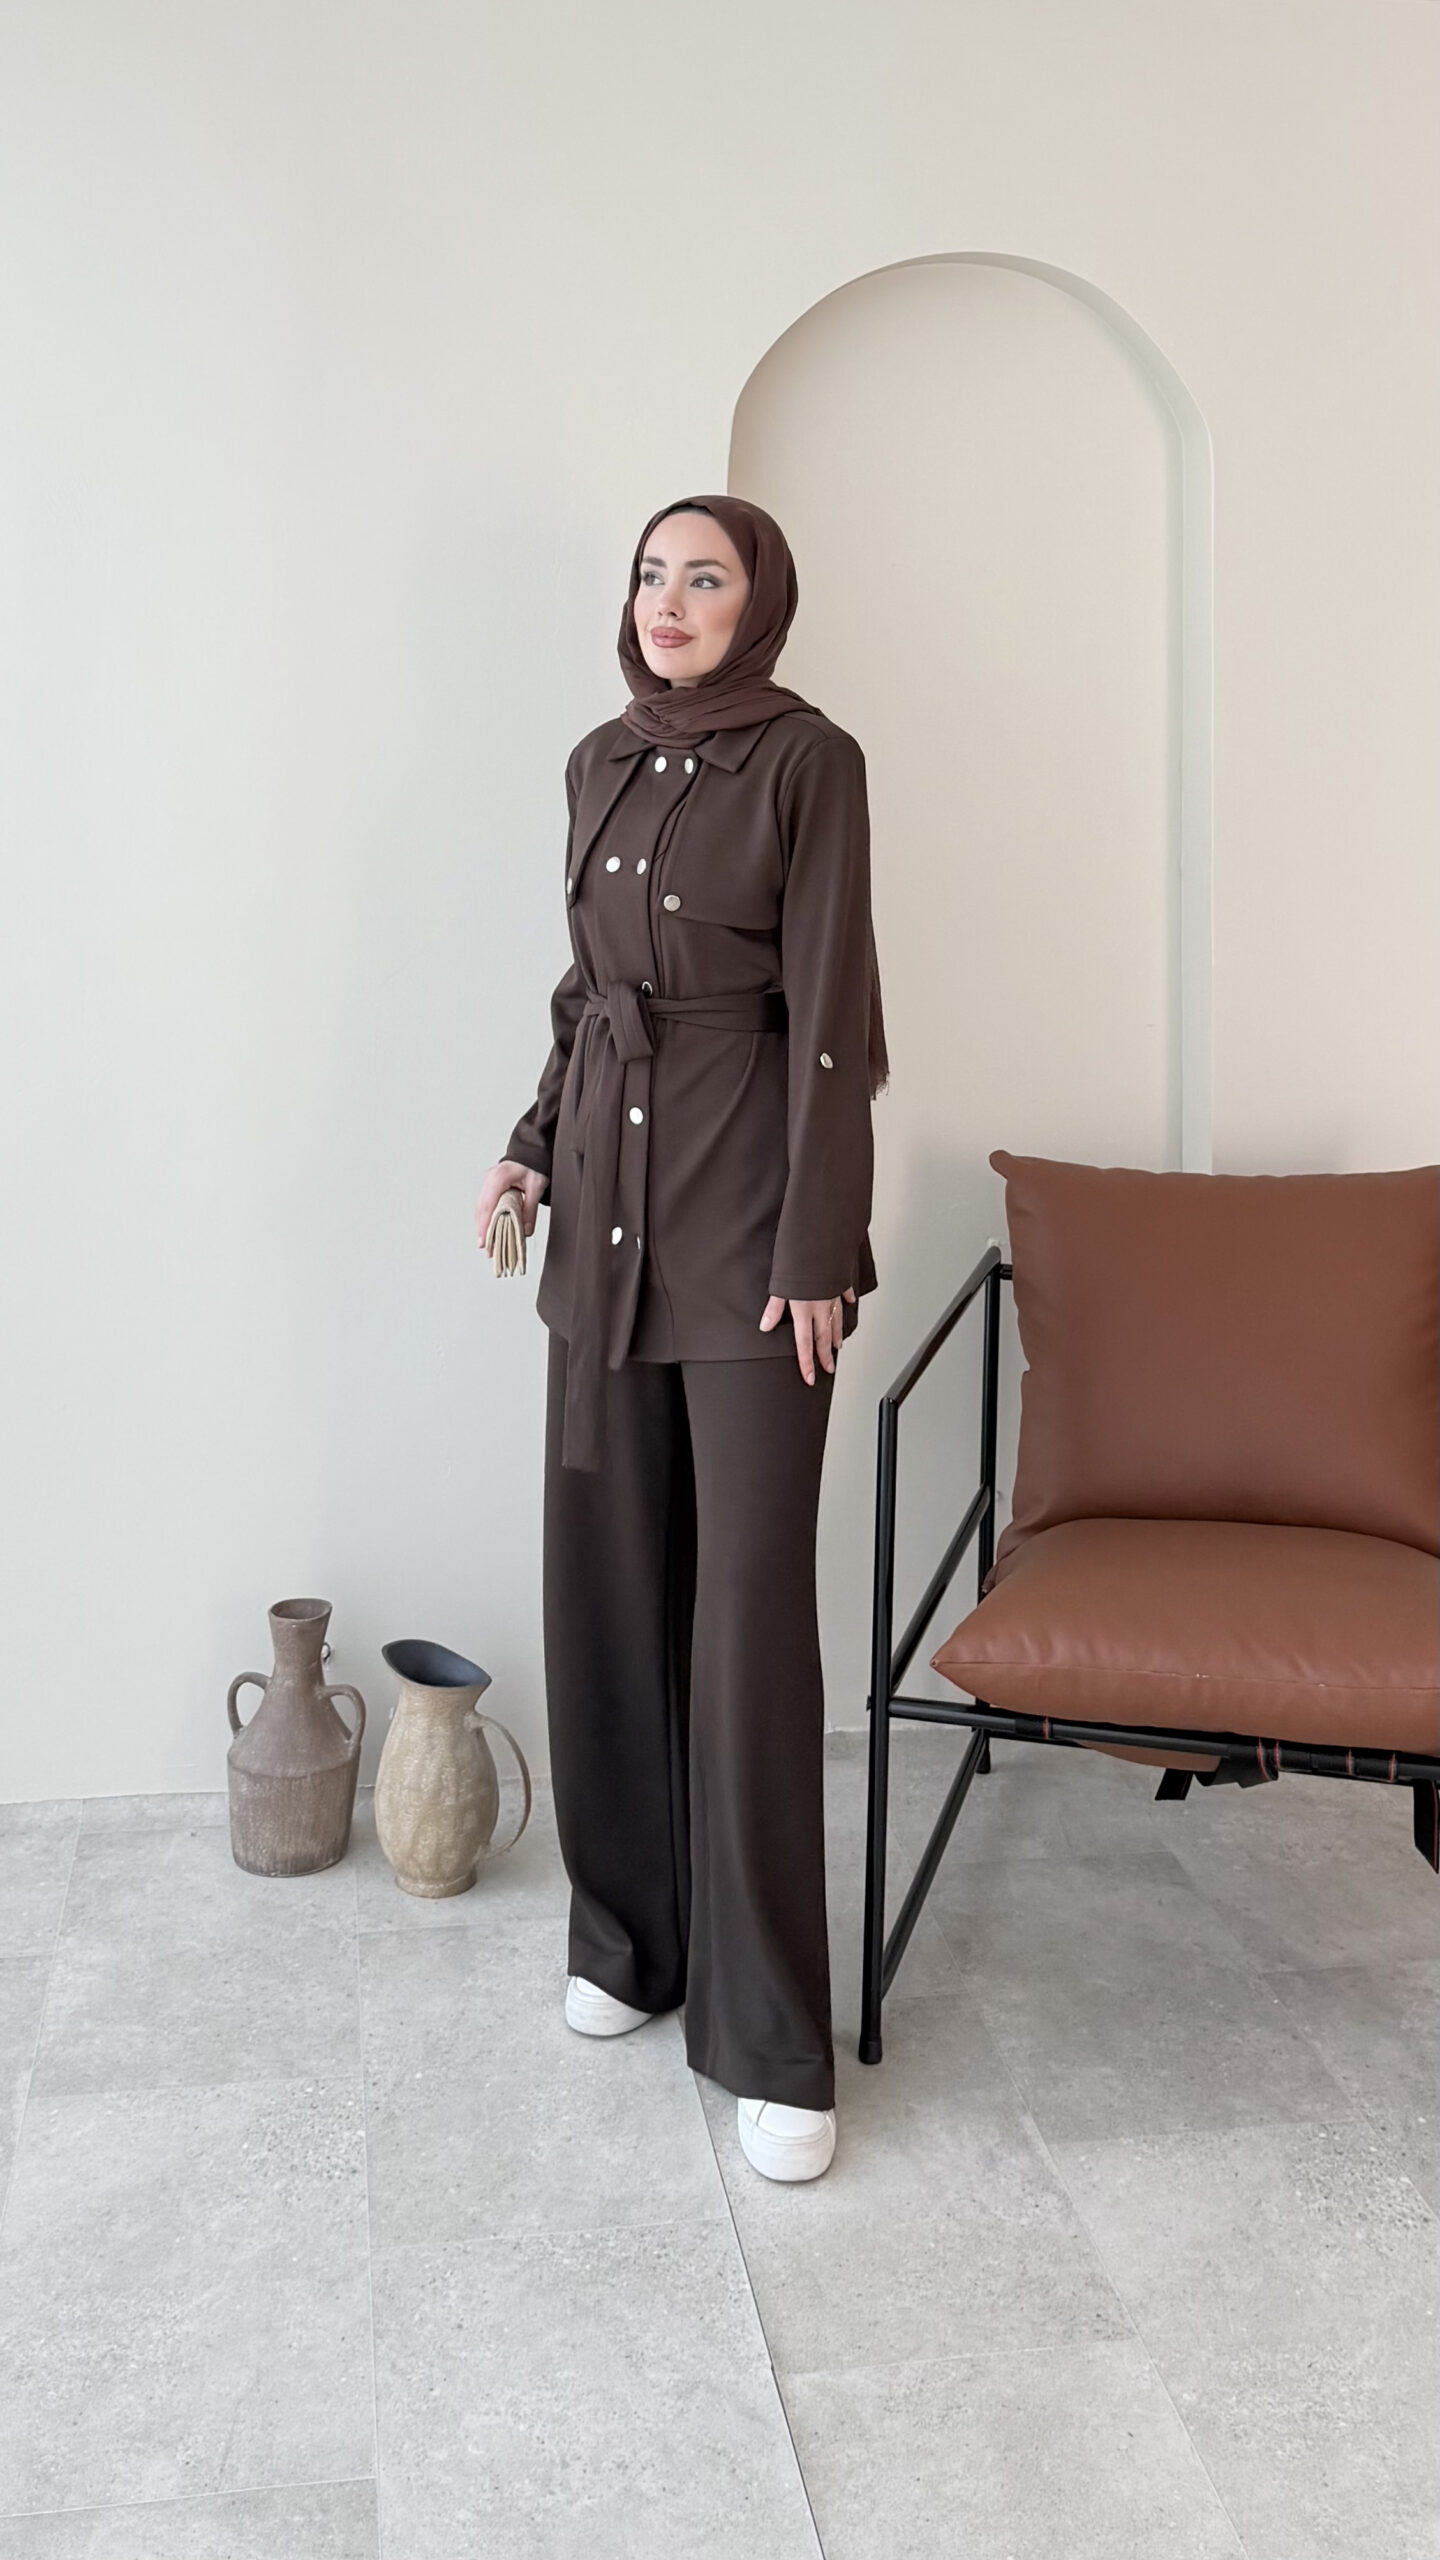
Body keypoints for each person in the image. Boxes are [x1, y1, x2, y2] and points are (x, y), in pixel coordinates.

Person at [476, 492, 887, 2182]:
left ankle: (772, 2036)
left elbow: (837, 1019)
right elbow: (588, 994)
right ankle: (627, 1942)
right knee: (605, 1587)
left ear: (758, 600)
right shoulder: (599, 761)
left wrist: (820, 1246)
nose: (670, 599)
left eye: (704, 577)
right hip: (600, 1223)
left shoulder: (810, 761)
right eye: (653, 574)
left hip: (749, 1237)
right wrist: (527, 1145)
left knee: (746, 1623)